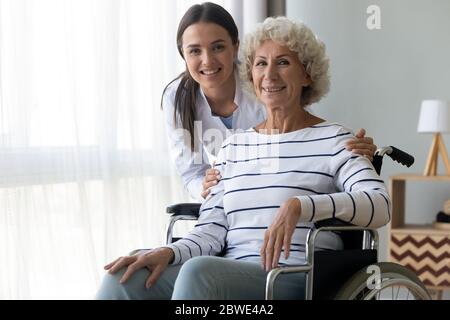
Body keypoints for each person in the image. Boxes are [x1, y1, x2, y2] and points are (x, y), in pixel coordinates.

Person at [96, 16, 391, 300]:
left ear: (307, 74)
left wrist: (303, 206)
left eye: (283, 62)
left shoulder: (335, 140)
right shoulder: (233, 148)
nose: (270, 75)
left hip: (297, 277)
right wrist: (169, 252)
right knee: (125, 274)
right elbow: (210, 232)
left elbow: (380, 205)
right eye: (261, 64)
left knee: (201, 273)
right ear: (251, 74)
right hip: (226, 272)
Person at [160, 2, 377, 201]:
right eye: (195, 50)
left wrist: (345, 153)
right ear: (183, 53)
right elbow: (192, 173)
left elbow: (297, 150)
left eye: (218, 47)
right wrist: (209, 188)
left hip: (276, 193)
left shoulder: (265, 86)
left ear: (235, 47)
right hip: (232, 200)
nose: (207, 60)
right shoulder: (176, 98)